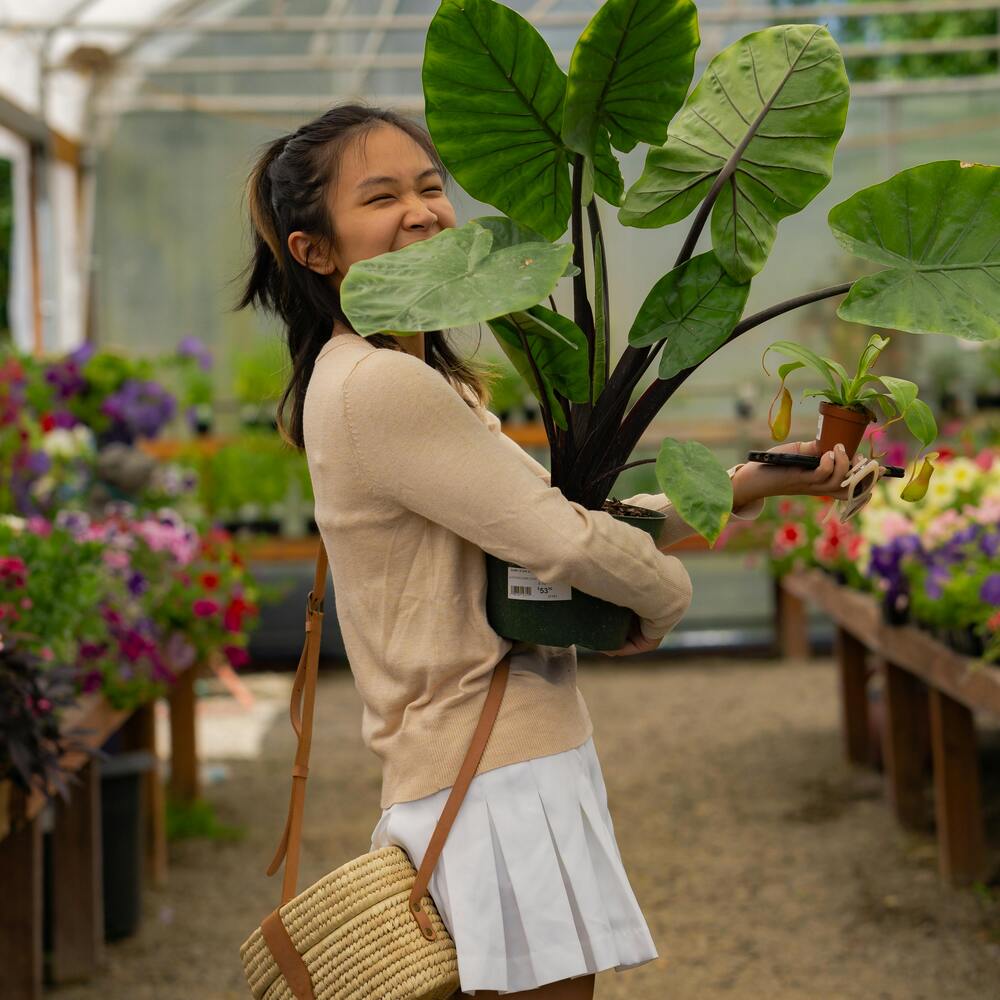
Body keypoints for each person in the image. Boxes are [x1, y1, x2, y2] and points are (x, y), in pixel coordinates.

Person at [238, 103, 856, 1000]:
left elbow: (545, 521)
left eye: (429, 186)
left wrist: (756, 479)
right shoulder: (383, 384)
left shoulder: (398, 375)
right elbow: (562, 539)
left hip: (482, 766)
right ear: (316, 250)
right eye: (380, 197)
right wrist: (665, 598)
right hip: (493, 778)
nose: (422, 210)